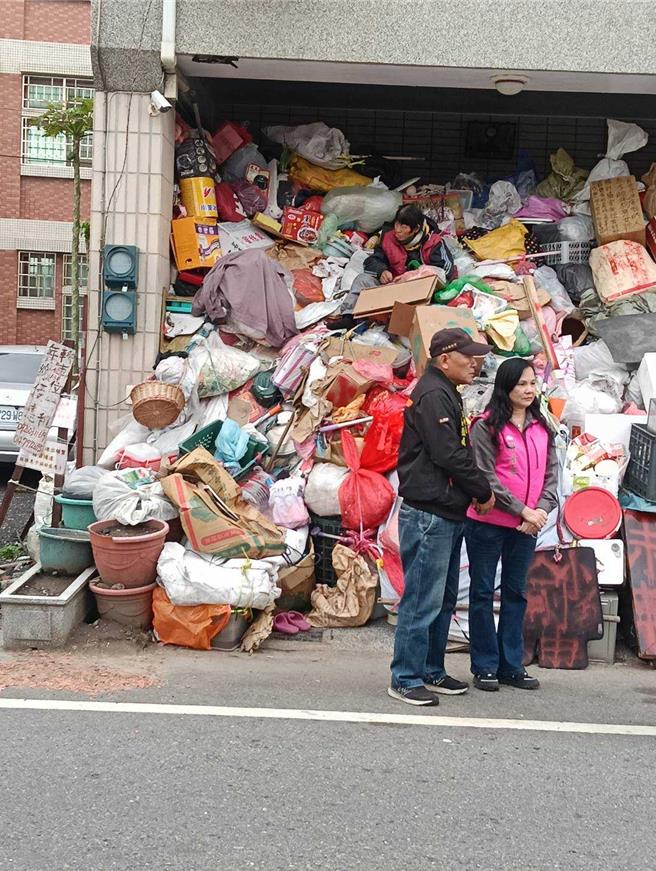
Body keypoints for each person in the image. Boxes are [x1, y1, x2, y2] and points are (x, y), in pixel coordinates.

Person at [389, 328, 495, 706]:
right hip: (429, 513)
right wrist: (483, 491)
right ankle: (405, 676)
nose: (476, 363)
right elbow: (449, 455)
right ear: (445, 360)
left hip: (446, 510)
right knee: (422, 599)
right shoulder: (434, 394)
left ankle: (431, 669)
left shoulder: (447, 392)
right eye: (469, 357)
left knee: (443, 599)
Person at [466, 358, 559, 692]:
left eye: (532, 383)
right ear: (505, 387)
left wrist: (541, 510)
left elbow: (552, 473)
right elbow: (485, 475)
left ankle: (511, 665)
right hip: (489, 523)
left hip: (527, 526)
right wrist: (522, 510)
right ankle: (485, 666)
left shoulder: (541, 425)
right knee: (481, 592)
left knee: (516, 594)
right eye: (521, 384)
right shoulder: (486, 426)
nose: (529, 390)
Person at [340, 204, 457, 314]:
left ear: (416, 229)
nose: (398, 230)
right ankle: (348, 315)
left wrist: (415, 275)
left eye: (404, 227)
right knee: (362, 279)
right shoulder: (389, 238)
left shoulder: (434, 242)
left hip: (419, 292)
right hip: (392, 287)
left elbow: (445, 270)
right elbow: (373, 260)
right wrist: (382, 271)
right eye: (397, 224)